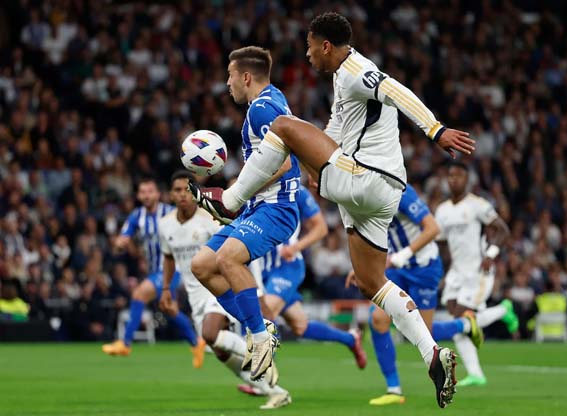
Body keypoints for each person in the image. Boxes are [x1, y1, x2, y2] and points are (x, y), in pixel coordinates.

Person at [189, 12, 475, 408]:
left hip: (365, 176)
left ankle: (231, 201)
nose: (306, 56)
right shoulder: (342, 81)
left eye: (309, 47)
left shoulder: (358, 69)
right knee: (371, 281)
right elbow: (335, 132)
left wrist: (435, 130)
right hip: (380, 194)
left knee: (284, 127)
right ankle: (432, 355)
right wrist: (312, 167)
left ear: (326, 46)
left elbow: (396, 90)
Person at [190, 46, 299, 385]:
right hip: (257, 207)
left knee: (227, 259)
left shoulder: (261, 111)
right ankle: (260, 325)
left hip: (275, 208)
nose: (227, 83)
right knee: (202, 265)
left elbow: (282, 162)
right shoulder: (273, 98)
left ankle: (261, 337)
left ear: (246, 77)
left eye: (230, 75)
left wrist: (236, 192)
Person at [158, 171, 291, 409]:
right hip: (195, 292)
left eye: (187, 189)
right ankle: (274, 390)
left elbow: (237, 241)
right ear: (171, 194)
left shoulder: (208, 218)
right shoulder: (165, 225)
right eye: (177, 190)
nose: (182, 195)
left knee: (210, 334)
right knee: (217, 350)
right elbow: (168, 257)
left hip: (217, 288)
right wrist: (166, 288)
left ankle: (262, 346)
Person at [361, 183, 483, 405]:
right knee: (378, 320)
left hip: (423, 266)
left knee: (421, 332)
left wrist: (403, 255)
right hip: (396, 268)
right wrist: (362, 267)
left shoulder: (399, 191)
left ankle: (465, 324)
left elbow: (432, 228)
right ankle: (394, 390)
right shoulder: (364, 190)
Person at [259, 186, 367, 368]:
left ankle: (265, 380)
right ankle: (350, 338)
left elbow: (321, 228)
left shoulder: (295, 190)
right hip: (262, 269)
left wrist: (296, 247)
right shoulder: (252, 184)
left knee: (265, 313)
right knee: (300, 325)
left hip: (286, 266)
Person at [102, 177, 202, 367]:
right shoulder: (136, 216)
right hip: (154, 271)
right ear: (139, 196)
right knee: (169, 309)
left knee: (139, 294)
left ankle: (125, 343)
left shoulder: (171, 213)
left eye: (150, 191)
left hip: (173, 269)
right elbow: (124, 237)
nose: (146, 195)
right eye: (143, 192)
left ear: (157, 194)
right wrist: (120, 243)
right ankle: (197, 343)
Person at [435, 161, 518, 387]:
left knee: (462, 321)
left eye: (458, 176)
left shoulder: (477, 205)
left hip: (478, 271)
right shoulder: (442, 211)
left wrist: (491, 253)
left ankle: (503, 310)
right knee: (458, 323)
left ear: (467, 180)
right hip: (456, 272)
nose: (453, 179)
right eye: (450, 175)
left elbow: (503, 229)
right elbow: (441, 243)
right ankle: (476, 375)